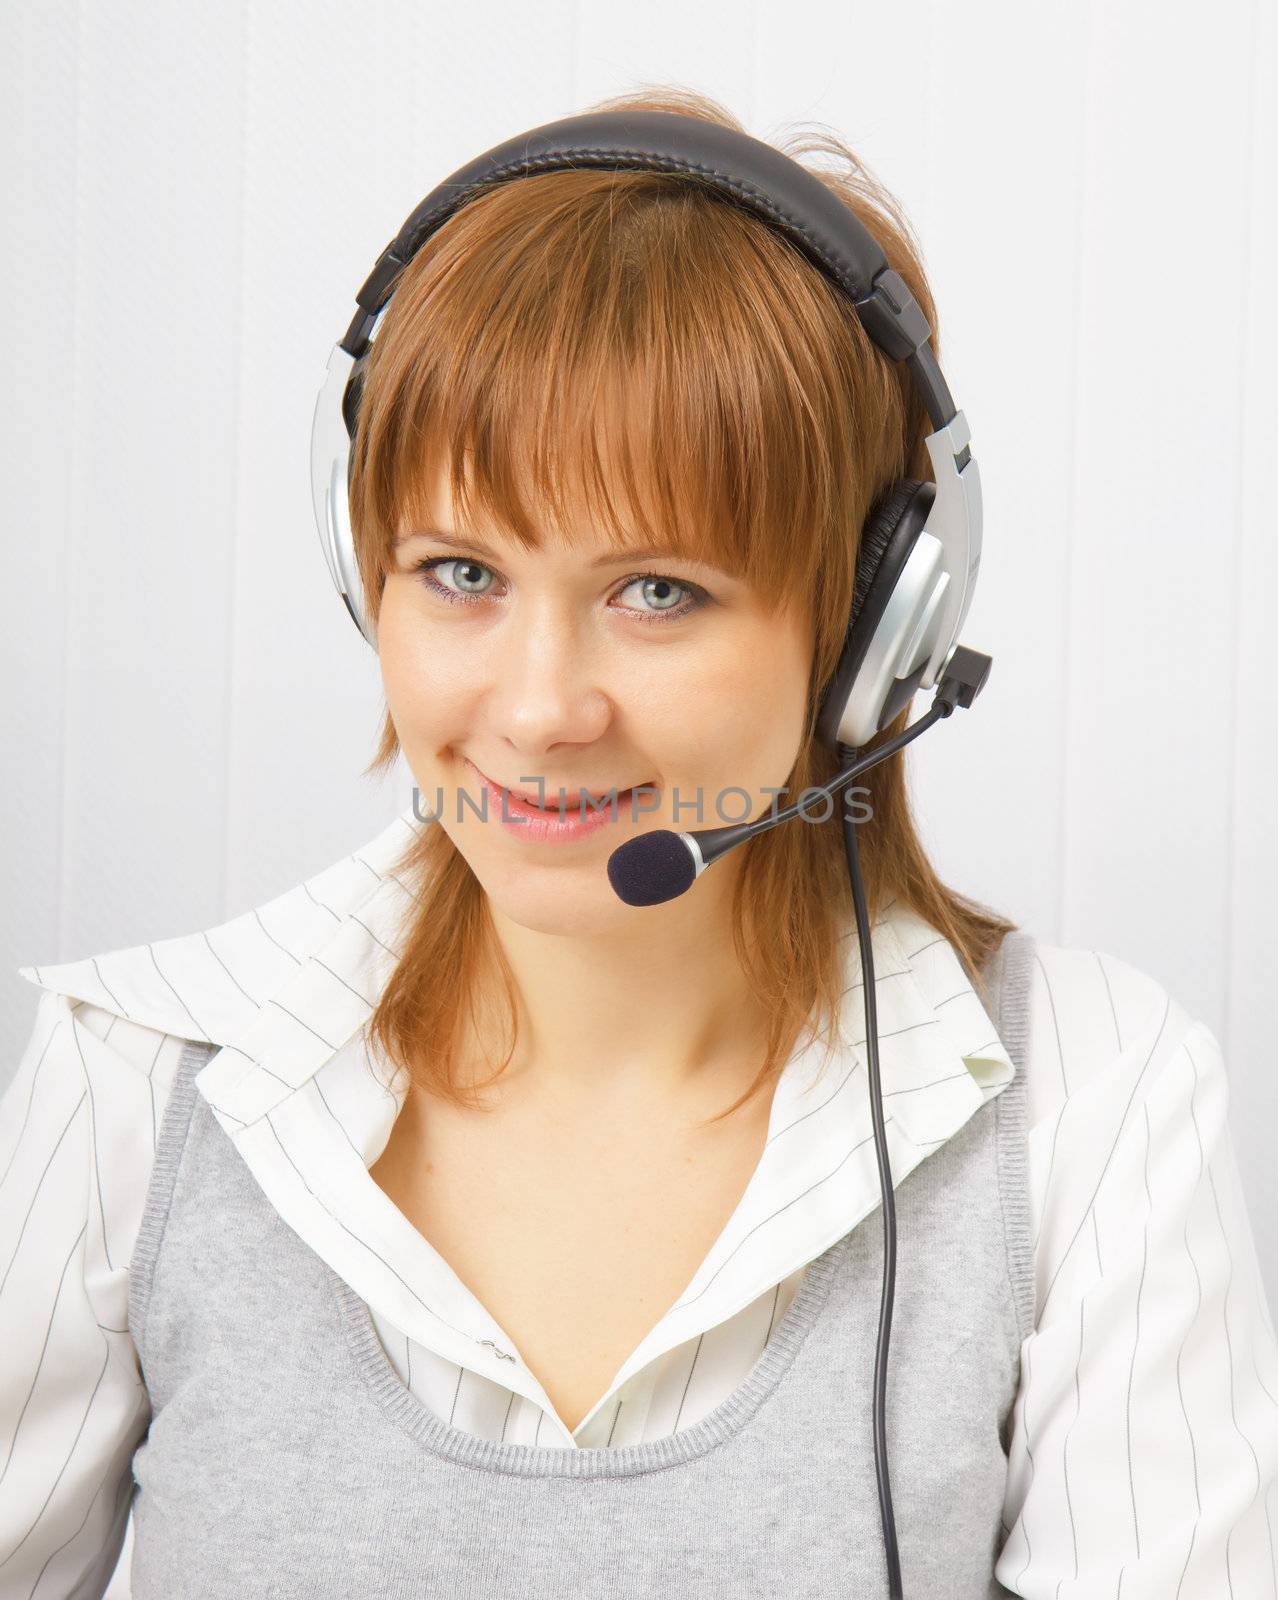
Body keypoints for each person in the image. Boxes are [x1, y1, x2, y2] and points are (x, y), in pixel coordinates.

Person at [3, 85, 1276, 1598]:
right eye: (459, 570)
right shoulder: (144, 1074)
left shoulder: (1094, 1102)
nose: (538, 711)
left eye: (656, 590)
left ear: (874, 630)